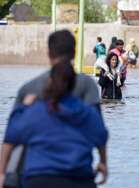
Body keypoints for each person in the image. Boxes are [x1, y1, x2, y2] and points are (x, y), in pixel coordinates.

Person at [0, 30, 104, 187]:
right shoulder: (86, 85)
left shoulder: (29, 89)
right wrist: (103, 162)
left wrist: (3, 173)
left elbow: (12, 135)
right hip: (79, 172)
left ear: (48, 53)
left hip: (35, 173)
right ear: (74, 52)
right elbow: (98, 129)